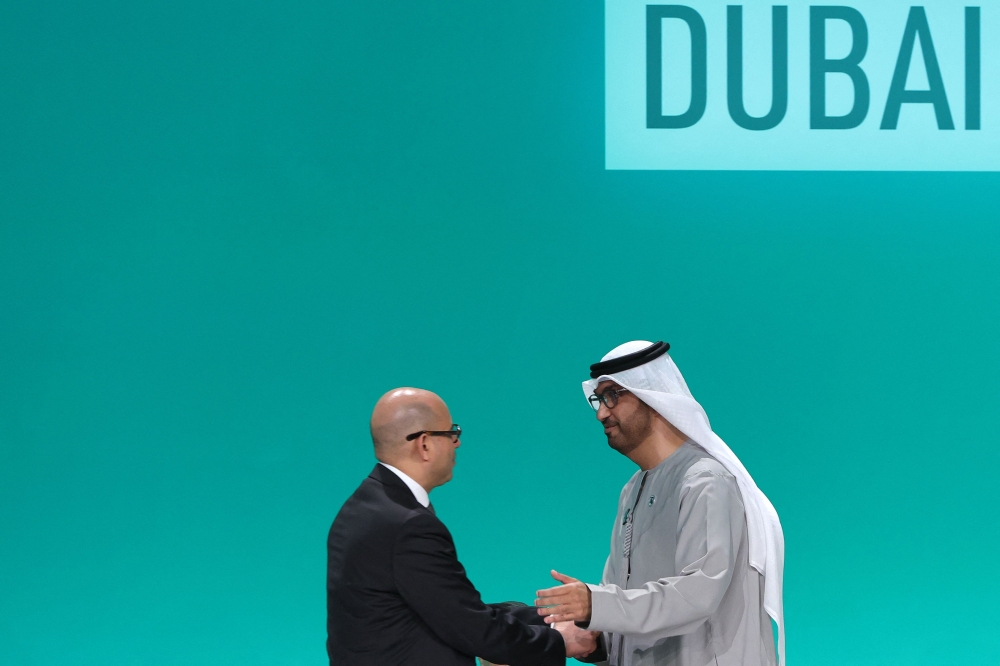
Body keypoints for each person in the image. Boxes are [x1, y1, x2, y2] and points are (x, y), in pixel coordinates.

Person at [535, 341, 784, 666]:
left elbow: (698, 594)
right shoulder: (632, 490)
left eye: (612, 396)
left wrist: (597, 605)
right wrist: (594, 639)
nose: (601, 413)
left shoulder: (704, 481)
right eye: (598, 399)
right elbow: (625, 606)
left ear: (652, 398)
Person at [327, 387, 596, 666]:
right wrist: (559, 640)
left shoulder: (363, 507)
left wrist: (548, 618)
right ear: (424, 444)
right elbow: (471, 627)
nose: (457, 443)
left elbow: (442, 608)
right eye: (451, 433)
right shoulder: (409, 525)